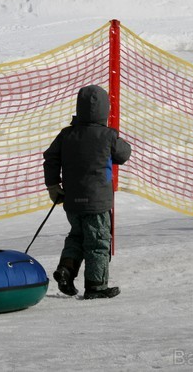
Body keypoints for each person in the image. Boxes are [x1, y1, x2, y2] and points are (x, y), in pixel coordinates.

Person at [43, 84, 131, 299]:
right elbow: (124, 154)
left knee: (77, 236)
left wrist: (53, 186)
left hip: (72, 200)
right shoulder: (107, 136)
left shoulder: (67, 134)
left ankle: (66, 270)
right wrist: (114, 136)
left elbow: (50, 158)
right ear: (105, 110)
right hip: (97, 202)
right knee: (98, 242)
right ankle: (96, 287)